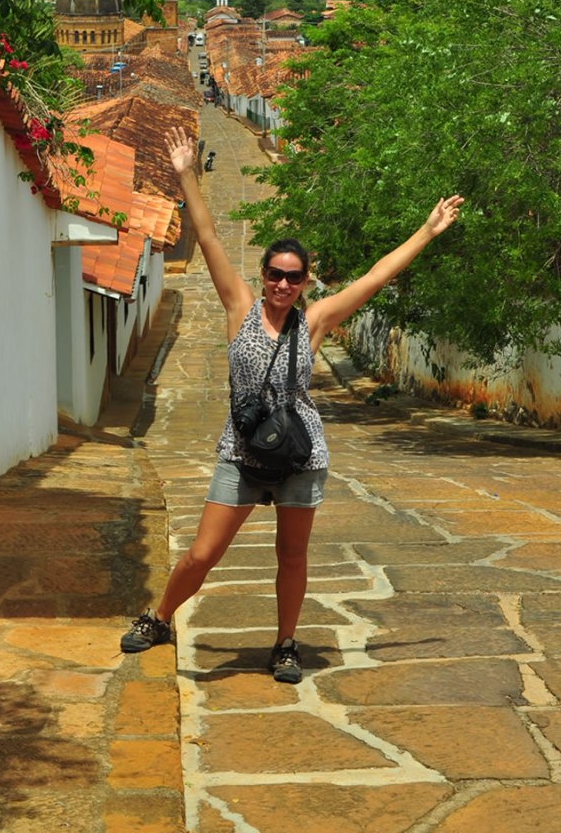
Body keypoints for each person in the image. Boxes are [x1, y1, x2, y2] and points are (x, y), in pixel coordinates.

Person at [121, 125, 463, 682]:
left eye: (294, 277)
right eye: (276, 275)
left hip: (300, 452)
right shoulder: (239, 306)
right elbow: (207, 236)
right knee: (203, 553)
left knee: (292, 556)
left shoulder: (315, 322)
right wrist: (186, 174)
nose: (283, 284)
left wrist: (426, 230)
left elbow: (375, 277)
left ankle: (285, 644)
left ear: (305, 282)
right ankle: (159, 618)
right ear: (263, 276)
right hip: (241, 450)